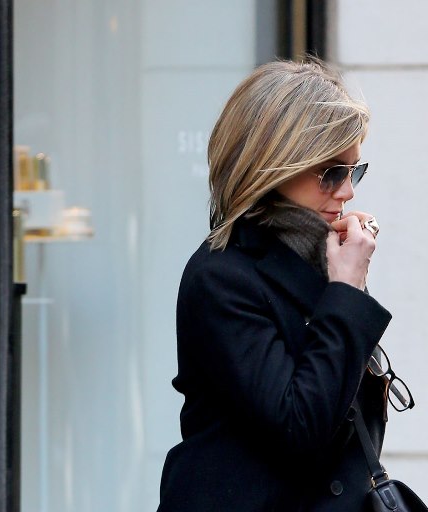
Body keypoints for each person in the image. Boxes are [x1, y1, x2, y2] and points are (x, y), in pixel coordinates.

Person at [156, 59, 405, 510]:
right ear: (274, 166)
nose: (347, 191)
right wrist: (346, 292)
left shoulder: (320, 261)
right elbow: (300, 427)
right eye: (332, 172)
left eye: (354, 170)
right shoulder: (221, 278)